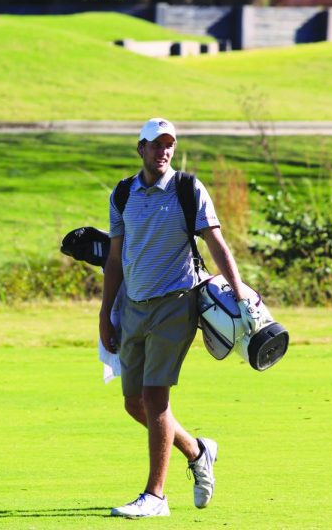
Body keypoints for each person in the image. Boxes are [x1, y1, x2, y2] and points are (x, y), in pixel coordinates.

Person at [99, 117, 257, 518]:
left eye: (169, 144)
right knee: (134, 402)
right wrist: (105, 314)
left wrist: (240, 293)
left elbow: (216, 243)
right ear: (141, 148)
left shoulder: (188, 189)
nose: (163, 151)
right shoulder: (122, 194)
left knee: (155, 396)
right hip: (134, 306)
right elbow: (115, 260)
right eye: (155, 145)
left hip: (177, 301)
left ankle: (155, 496)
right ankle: (198, 450)